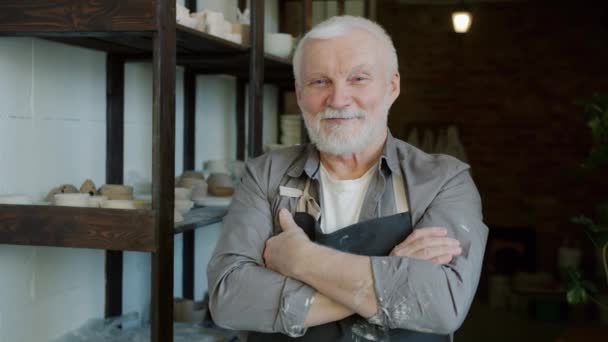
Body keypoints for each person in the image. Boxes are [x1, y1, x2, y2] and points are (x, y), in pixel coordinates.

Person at [207, 15, 488, 342]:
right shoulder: (264, 175)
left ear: (392, 86)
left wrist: (301, 260)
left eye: (358, 78)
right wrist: (391, 273)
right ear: (299, 94)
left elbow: (442, 305)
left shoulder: (443, 181)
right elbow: (229, 299)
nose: (338, 100)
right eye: (319, 82)